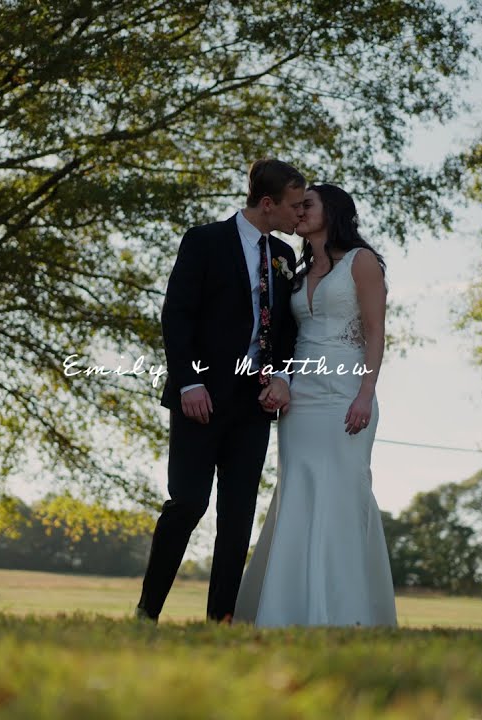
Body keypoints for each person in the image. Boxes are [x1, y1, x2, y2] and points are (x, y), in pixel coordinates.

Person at [136, 158, 304, 623]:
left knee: (238, 516)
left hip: (254, 405)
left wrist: (282, 377)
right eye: (293, 206)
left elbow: (287, 332)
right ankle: (147, 613)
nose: (299, 215)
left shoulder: (285, 257)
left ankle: (220, 622)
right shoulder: (205, 241)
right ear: (266, 204)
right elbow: (178, 315)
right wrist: (188, 380)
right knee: (187, 502)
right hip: (200, 398)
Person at [233, 183, 398, 627]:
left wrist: (366, 393)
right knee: (298, 491)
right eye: (296, 205)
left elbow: (376, 332)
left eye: (308, 204)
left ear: (334, 211)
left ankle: (346, 612)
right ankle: (286, 609)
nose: (298, 211)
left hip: (347, 393)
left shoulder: (362, 263)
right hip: (300, 397)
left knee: (343, 492)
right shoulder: (295, 269)